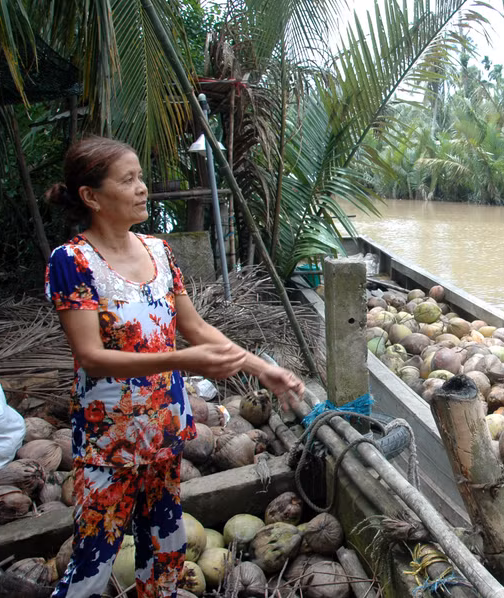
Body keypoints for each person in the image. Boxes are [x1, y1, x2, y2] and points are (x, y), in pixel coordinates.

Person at [45, 136, 305, 598]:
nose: (143, 187)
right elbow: (90, 356)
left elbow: (197, 328)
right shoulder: (73, 262)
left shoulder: (159, 251)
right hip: (110, 442)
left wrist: (260, 368)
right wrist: (182, 359)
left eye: (141, 176)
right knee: (92, 563)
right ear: (91, 196)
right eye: (128, 180)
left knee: (166, 554)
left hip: (164, 431)